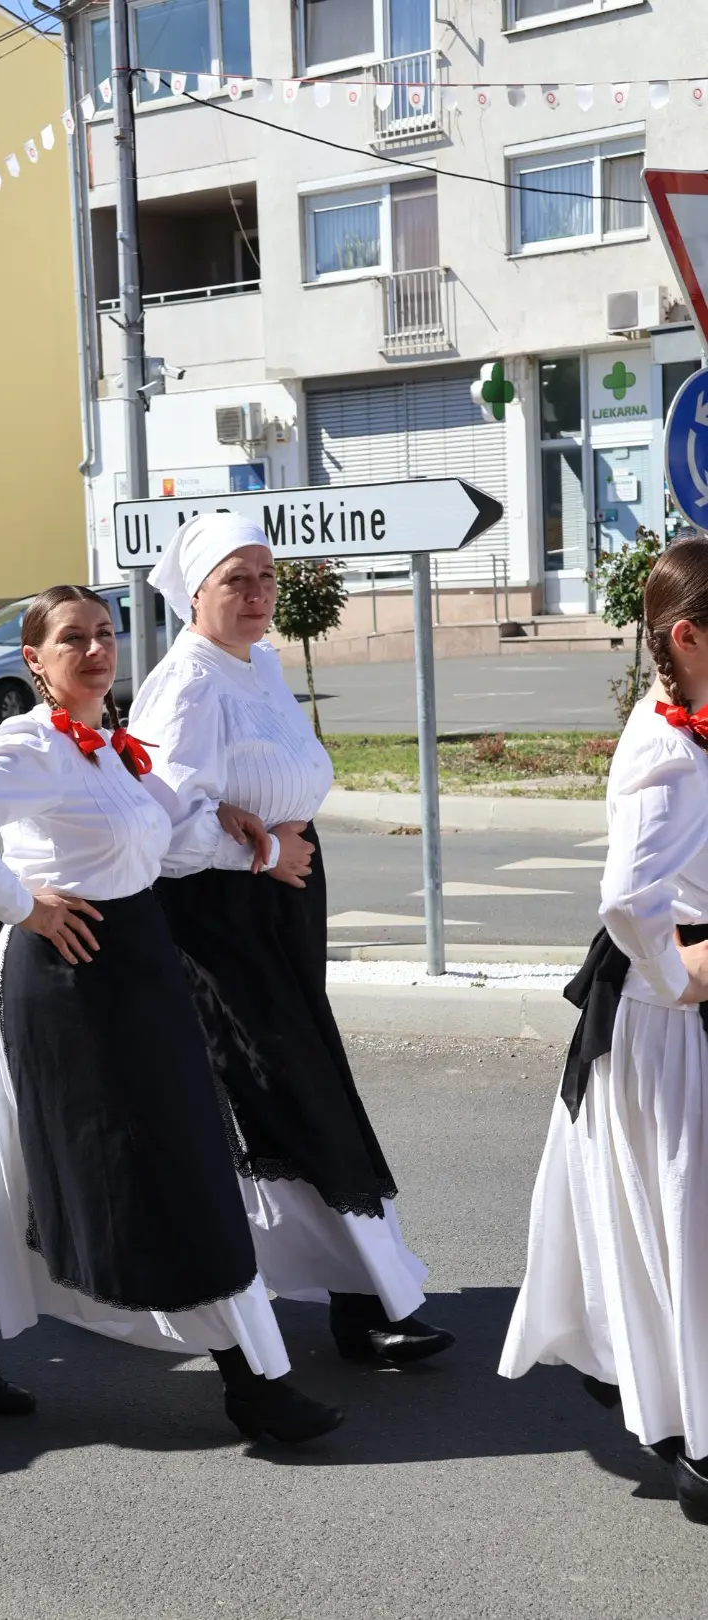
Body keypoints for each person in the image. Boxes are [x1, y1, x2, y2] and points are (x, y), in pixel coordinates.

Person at [0, 585, 343, 1444]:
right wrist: (20, 903)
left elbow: (168, 842)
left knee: (12, 1170)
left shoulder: (114, 747)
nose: (97, 650)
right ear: (34, 660)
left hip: (138, 969)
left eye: (106, 634)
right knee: (177, 1170)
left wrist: (238, 832)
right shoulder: (33, 742)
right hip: (73, 980)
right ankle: (253, 1380)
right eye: (73, 639)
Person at [129, 511, 452, 1366]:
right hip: (218, 918)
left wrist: (270, 841)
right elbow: (155, 824)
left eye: (266, 577)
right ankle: (351, 1298)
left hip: (279, 905)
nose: (257, 594)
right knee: (285, 1091)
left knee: (303, 1087)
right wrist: (262, 846)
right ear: (194, 594)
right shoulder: (188, 682)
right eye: (236, 580)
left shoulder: (260, 664)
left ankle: (358, 1293)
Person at [499, 539, 708, 1524]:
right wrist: (680, 976)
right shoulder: (668, 750)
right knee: (686, 1217)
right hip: (670, 1021)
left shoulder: (688, 725)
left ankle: (662, 1392)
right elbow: (630, 898)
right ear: (688, 637)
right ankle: (694, 1436)